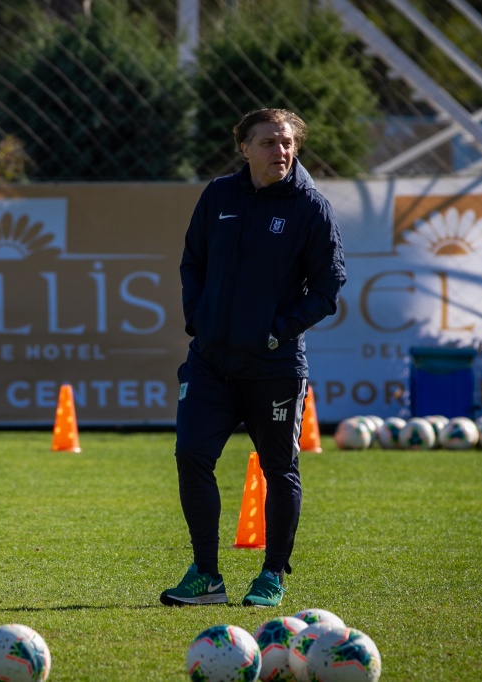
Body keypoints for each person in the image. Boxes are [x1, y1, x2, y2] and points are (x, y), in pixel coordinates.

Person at [159, 108, 346, 608]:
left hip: (273, 367)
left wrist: (276, 333)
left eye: (287, 142)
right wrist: (198, 319)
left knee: (279, 468)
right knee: (191, 456)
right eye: (268, 142)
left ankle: (272, 575)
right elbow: (193, 261)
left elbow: (329, 285)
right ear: (244, 148)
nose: (280, 151)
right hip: (210, 361)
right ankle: (206, 575)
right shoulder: (219, 195)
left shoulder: (310, 207)